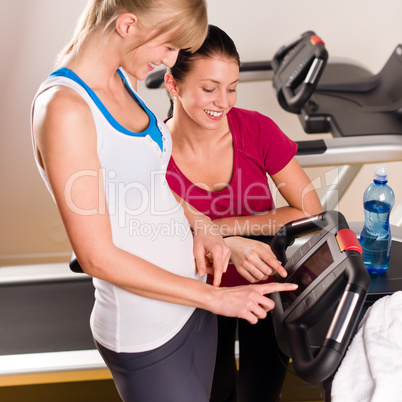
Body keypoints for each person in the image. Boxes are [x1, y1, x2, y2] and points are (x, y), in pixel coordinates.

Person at [30, 2, 298, 401]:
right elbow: (96, 258)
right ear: (128, 25)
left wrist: (204, 225)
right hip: (148, 332)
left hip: (191, 307)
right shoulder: (66, 109)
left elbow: (152, 182)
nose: (169, 62)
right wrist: (217, 297)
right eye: (170, 47)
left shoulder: (122, 78)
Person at [164, 25, 323, 402]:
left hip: (264, 283)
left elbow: (309, 211)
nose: (224, 101)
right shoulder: (152, 151)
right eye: (209, 88)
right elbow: (154, 239)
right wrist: (220, 243)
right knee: (216, 393)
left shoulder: (256, 130)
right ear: (173, 85)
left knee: (261, 394)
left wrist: (222, 229)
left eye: (232, 87)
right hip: (199, 296)